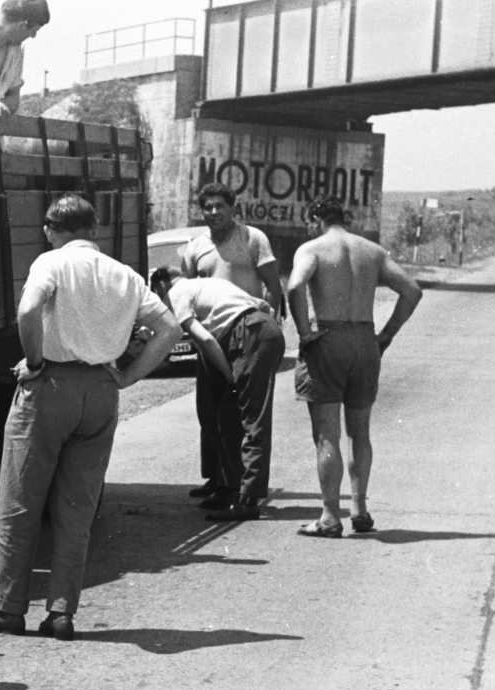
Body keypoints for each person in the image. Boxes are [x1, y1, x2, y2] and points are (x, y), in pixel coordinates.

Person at [0, 194, 182, 641]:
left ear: (51, 229)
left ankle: (8, 609)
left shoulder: (51, 264)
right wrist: (126, 377)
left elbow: (29, 310)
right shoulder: (123, 274)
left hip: (50, 388)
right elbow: (170, 330)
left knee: (17, 505)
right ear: (93, 230)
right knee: (76, 509)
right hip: (101, 392)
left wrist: (32, 361)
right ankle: (62, 612)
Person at [285, 195, 421, 538]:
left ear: (315, 218)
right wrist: (386, 335)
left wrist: (304, 333)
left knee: (327, 433)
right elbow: (412, 290)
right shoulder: (372, 251)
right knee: (359, 430)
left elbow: (296, 285)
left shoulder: (312, 248)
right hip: (364, 340)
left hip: (328, 340)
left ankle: (330, 516)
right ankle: (359, 508)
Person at [178, 182, 285, 511]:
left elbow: (272, 284)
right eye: (207, 208)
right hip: (213, 338)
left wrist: (273, 319)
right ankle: (218, 479)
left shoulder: (252, 238)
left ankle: (242, 487)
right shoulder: (195, 248)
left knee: (241, 412)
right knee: (210, 411)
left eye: (219, 207)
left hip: (247, 333)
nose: (213, 213)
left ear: (232, 208)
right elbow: (187, 291)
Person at [150, 266, 284, 522]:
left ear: (161, 286)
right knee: (228, 415)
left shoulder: (177, 292)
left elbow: (206, 341)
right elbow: (264, 306)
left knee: (252, 419)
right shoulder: (209, 285)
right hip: (261, 330)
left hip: (249, 336)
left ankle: (248, 499)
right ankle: (228, 489)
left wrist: (229, 375)